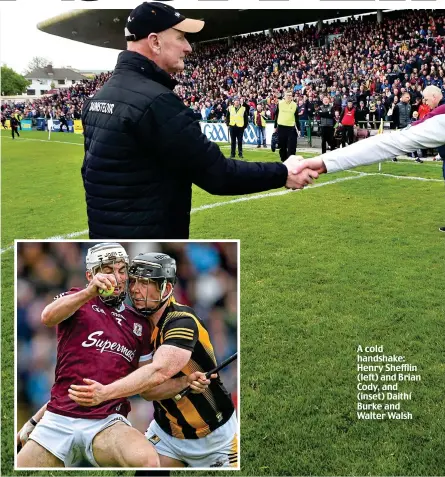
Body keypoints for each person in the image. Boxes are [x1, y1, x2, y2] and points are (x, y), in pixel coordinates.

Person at [81, 2, 316, 240]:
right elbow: (219, 175)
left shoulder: (98, 98)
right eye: (181, 38)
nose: (188, 48)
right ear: (155, 42)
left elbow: (90, 175)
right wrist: (282, 172)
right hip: (149, 244)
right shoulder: (157, 102)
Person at [16, 243, 209, 468]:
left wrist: (183, 382)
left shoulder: (139, 324)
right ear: (91, 275)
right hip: (59, 420)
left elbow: (148, 389)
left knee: (147, 460)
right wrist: (89, 292)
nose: (116, 278)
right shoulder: (77, 300)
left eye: (121, 270)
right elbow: (48, 317)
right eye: (107, 270)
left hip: (107, 423)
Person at [68, 252, 238, 468]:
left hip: (216, 437)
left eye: (145, 283)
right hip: (166, 436)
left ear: (166, 289)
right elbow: (148, 390)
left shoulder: (182, 322)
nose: (135, 289)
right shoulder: (135, 326)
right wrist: (184, 383)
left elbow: (158, 372)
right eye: (134, 281)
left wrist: (105, 393)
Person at [274, 90, 300, 162]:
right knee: (282, 146)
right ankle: (284, 161)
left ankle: (291, 161)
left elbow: (297, 118)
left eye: (290, 95)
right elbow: (276, 116)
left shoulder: (294, 105)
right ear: (284, 96)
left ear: (292, 97)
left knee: (292, 147)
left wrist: (299, 129)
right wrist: (275, 127)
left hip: (291, 128)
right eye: (287, 95)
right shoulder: (280, 104)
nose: (289, 97)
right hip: (281, 128)